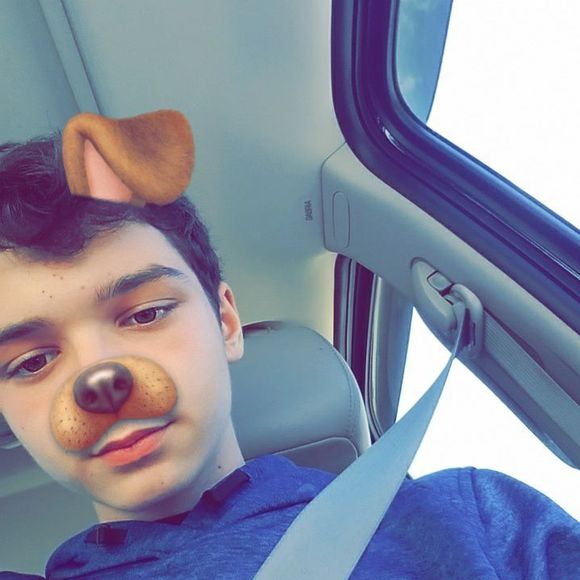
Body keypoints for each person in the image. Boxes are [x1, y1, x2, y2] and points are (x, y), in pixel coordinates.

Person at [0, 134, 578, 579]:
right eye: (31, 362)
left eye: (146, 314)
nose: (97, 380)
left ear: (226, 322)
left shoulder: (471, 520)